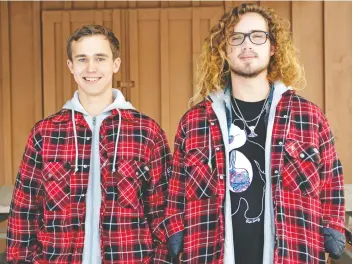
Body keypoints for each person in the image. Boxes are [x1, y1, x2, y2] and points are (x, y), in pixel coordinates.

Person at [165, 3, 345, 264]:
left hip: (292, 255)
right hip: (210, 254)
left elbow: (332, 182)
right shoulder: (194, 121)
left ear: (272, 47)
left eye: (257, 36)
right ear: (224, 50)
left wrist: (333, 228)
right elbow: (176, 191)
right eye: (236, 38)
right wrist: (175, 231)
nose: (246, 45)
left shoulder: (309, 117)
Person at [6, 24, 172, 263]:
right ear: (71, 67)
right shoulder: (45, 133)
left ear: (115, 64)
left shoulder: (146, 131)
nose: (91, 68)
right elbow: (24, 212)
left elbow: (162, 211)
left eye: (100, 58)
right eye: (82, 59)